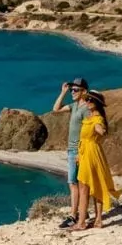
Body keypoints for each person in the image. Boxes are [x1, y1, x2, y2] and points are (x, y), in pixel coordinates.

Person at [71, 90, 120, 230]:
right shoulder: (89, 117)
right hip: (85, 153)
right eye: (86, 99)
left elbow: (101, 129)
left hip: (92, 153)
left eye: (90, 100)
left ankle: (81, 223)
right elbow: (83, 139)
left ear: (96, 104)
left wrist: (101, 130)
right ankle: (98, 220)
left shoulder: (97, 119)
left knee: (85, 187)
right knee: (92, 185)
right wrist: (78, 155)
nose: (87, 102)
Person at [52, 77, 90, 228]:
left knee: (74, 183)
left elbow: (88, 131)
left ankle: (74, 216)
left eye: (76, 90)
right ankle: (82, 212)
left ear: (84, 91)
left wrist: (81, 152)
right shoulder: (74, 106)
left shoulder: (86, 109)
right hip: (71, 150)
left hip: (78, 151)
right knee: (76, 183)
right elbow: (56, 109)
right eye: (72, 89)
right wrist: (63, 92)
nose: (72, 92)